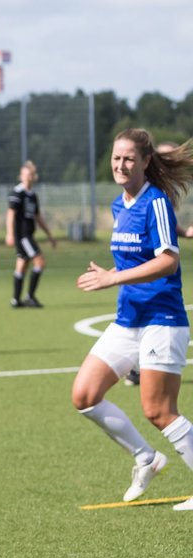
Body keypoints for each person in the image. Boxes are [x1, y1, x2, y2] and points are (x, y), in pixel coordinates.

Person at [72, 129, 193, 511]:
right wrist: (110, 272)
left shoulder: (156, 202)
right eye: (115, 159)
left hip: (163, 318)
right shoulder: (118, 205)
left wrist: (112, 278)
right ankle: (146, 458)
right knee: (85, 396)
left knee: (158, 411)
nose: (120, 165)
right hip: (129, 320)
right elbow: (135, 262)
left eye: (128, 159)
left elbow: (168, 259)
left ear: (144, 162)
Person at [6, 161, 58, 308]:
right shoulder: (18, 193)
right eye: (25, 175)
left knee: (22, 264)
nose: (28, 178)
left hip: (28, 234)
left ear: (34, 177)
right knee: (40, 262)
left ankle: (16, 300)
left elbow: (38, 217)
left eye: (31, 175)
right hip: (23, 236)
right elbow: (10, 214)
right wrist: (9, 234)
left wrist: (49, 235)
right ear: (21, 176)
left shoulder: (32, 196)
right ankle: (30, 296)